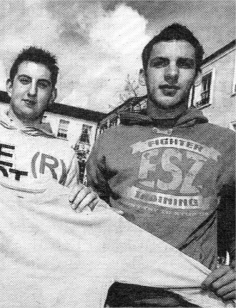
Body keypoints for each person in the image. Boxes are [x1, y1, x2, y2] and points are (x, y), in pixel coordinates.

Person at [86, 23, 235, 306]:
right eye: (160, 63)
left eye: (184, 64)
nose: (171, 73)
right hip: (118, 299)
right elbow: (90, 215)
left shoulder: (228, 145)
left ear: (197, 75)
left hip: (192, 301)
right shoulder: (111, 139)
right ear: (144, 75)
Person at [0, 46, 100, 212]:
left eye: (42, 85)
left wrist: (86, 202)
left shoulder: (65, 155)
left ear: (52, 96)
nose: (32, 91)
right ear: (9, 86)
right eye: (24, 80)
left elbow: (68, 217)